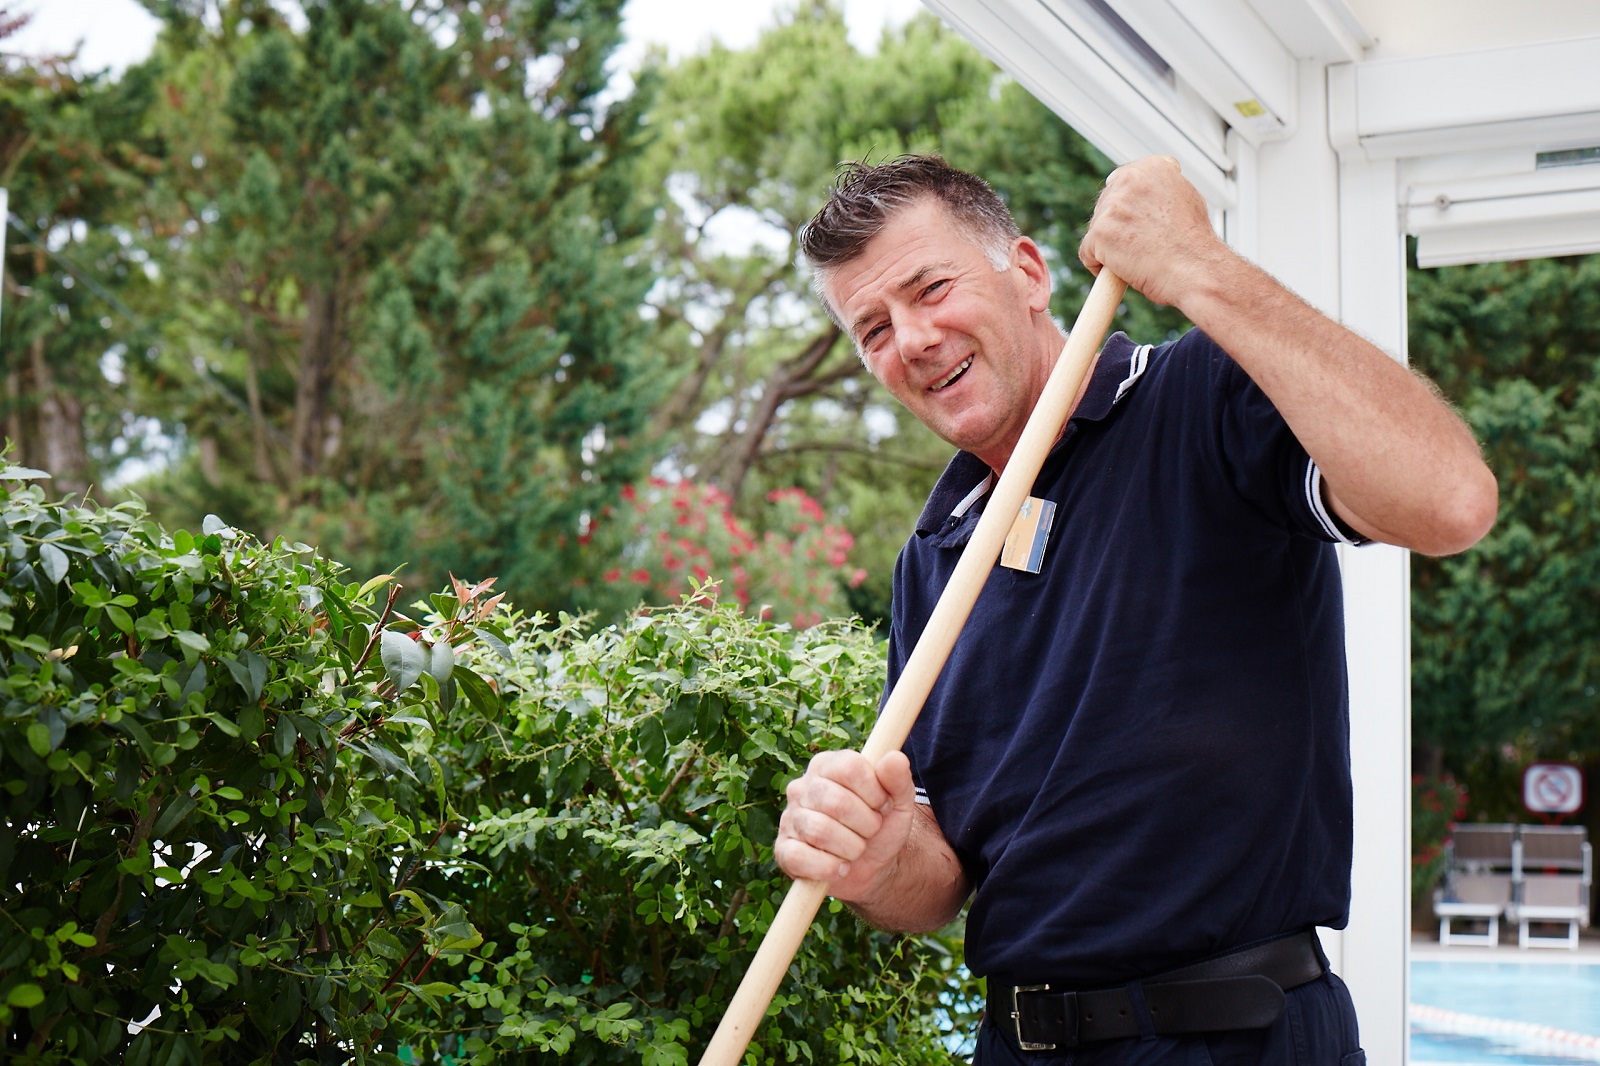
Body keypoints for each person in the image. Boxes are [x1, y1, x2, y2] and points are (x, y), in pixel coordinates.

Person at [773, 154, 1498, 1064]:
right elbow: (940, 879)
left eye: (930, 287)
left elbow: (1450, 499)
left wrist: (1202, 268)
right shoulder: (936, 555)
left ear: (1029, 274)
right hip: (1020, 1044)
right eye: (873, 327)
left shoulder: (1201, 398)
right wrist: (878, 856)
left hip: (1234, 1034)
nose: (912, 338)